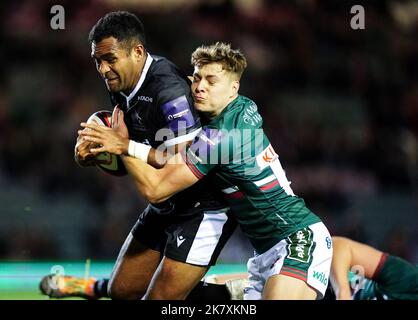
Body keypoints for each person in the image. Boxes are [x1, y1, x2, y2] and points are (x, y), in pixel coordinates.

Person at [78, 42, 333, 300]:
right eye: (197, 78)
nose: (200, 87)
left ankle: (227, 293)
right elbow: (167, 155)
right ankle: (227, 293)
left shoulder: (221, 137)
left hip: (297, 239)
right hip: (263, 252)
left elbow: (156, 189)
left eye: (211, 81)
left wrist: (123, 146)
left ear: (233, 88)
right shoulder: (240, 107)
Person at [73, 11, 237, 300]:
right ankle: (212, 292)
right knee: (121, 291)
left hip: (204, 206)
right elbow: (130, 162)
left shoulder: (169, 89)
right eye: (97, 61)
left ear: (137, 52)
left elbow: (175, 167)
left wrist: (121, 146)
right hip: (167, 204)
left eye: (110, 59)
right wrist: (96, 153)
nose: (103, 69)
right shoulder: (122, 87)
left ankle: (231, 295)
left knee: (161, 301)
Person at [40, 236, 418, 300]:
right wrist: (347, 294)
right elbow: (343, 248)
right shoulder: (409, 281)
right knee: (183, 294)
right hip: (290, 281)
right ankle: (89, 286)